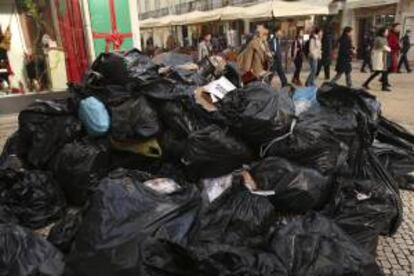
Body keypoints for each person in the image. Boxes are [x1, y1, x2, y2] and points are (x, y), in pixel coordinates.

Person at [362, 27, 391, 92]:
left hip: (383, 56)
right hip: (379, 56)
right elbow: (383, 46)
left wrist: (388, 49)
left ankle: (366, 83)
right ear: (382, 32)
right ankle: (384, 86)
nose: (387, 33)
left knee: (378, 72)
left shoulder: (384, 38)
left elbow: (386, 47)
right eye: (386, 32)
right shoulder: (378, 38)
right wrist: (389, 49)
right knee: (384, 71)